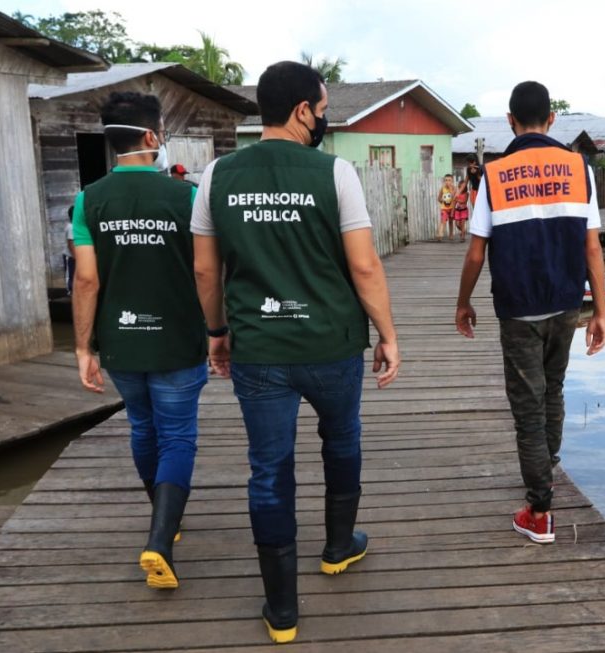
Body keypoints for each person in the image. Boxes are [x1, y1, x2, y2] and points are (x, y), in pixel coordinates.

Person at [191, 60, 400, 644]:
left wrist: (216, 332)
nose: (325, 116)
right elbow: (363, 264)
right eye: (323, 106)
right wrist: (388, 334)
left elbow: (205, 269)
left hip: (260, 350)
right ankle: (338, 547)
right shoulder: (336, 173)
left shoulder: (216, 176)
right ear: (303, 110)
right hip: (332, 343)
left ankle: (282, 610)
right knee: (342, 439)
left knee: (269, 468)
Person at [455, 81, 605, 545]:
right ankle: (545, 466)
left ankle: (540, 511)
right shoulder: (579, 168)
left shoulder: (496, 176)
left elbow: (477, 253)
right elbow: (593, 248)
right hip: (566, 304)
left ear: (510, 121)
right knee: (553, 390)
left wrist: (463, 303)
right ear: (552, 119)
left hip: (519, 310)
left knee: (528, 408)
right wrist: (600, 311)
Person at [70, 91, 207, 592]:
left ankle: (162, 517)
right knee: (177, 436)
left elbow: (86, 282)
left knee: (143, 428)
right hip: (175, 341)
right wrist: (219, 331)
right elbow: (203, 269)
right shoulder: (186, 197)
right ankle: (161, 538)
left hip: (122, 344)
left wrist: (84, 348)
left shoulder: (89, 200)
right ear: (153, 137)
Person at [436, 173, 455, 241]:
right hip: (444, 208)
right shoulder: (442, 189)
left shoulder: (453, 188)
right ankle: (440, 234)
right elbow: (438, 198)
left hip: (451, 208)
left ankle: (451, 234)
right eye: (446, 180)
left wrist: (450, 189)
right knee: (443, 221)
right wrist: (442, 201)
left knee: (450, 222)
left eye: (449, 180)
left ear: (452, 181)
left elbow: (454, 197)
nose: (447, 182)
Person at [63, 206, 76, 295]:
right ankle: (70, 290)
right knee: (70, 273)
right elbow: (70, 243)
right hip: (70, 256)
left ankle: (74, 290)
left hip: (74, 256)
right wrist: (75, 256)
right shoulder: (71, 227)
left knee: (75, 273)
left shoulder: (75, 226)